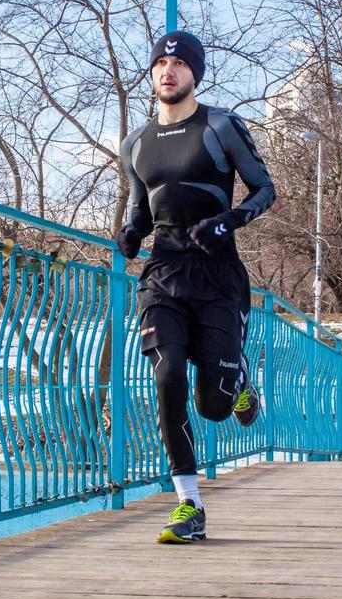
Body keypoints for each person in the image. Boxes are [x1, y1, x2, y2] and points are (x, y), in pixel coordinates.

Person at [117, 30, 275, 544]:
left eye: (180, 63)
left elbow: (265, 188)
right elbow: (141, 209)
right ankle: (190, 505)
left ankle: (239, 379)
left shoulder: (221, 126)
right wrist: (131, 231)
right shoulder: (135, 143)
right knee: (166, 379)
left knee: (213, 405)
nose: (168, 70)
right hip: (163, 276)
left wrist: (227, 222)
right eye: (161, 62)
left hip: (219, 277)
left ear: (195, 73)